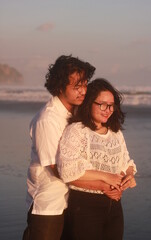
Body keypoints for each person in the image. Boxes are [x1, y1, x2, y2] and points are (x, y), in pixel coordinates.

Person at [22, 55, 96, 240]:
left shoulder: (75, 113)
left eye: (85, 85)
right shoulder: (47, 120)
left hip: (70, 201)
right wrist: (100, 184)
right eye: (76, 87)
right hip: (48, 205)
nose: (83, 91)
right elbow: (57, 169)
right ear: (60, 86)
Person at [58, 78, 137, 240]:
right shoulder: (77, 131)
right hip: (84, 206)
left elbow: (126, 163)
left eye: (111, 105)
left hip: (114, 206)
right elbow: (67, 172)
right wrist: (106, 177)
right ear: (89, 103)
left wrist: (128, 176)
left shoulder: (116, 133)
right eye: (102, 104)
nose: (107, 109)